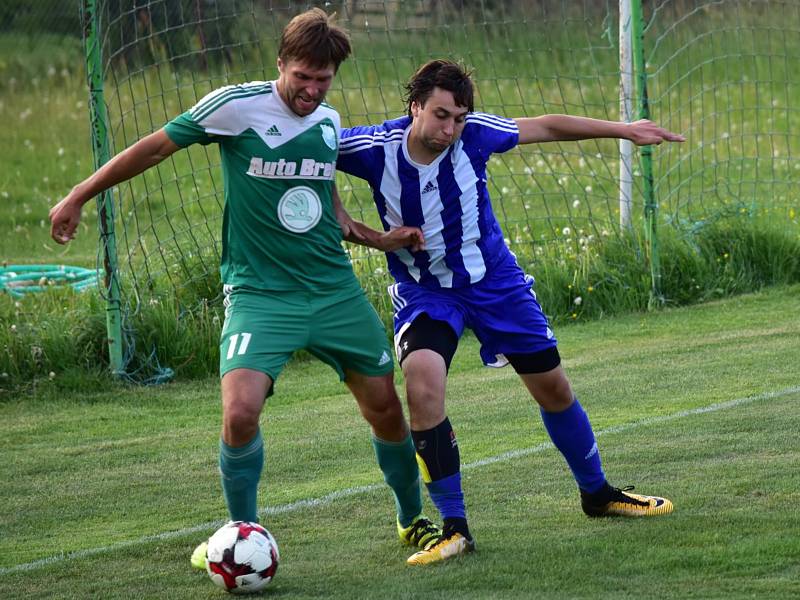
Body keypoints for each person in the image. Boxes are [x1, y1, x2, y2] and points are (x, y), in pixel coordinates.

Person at [48, 9, 442, 569]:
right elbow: (155, 148)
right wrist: (79, 195)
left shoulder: (328, 122)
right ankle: (239, 534)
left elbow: (326, 198)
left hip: (333, 290)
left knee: (385, 410)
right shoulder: (236, 106)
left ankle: (411, 519)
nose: (311, 89)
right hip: (259, 294)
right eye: (302, 76)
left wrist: (379, 240)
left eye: (322, 79)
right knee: (240, 413)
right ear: (280, 63)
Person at [335, 59, 686, 566]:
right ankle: (454, 528)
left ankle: (598, 493)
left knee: (555, 389)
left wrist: (626, 131)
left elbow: (545, 126)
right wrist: (361, 230)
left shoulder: (475, 135)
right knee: (422, 384)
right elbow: (308, 149)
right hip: (425, 293)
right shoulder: (373, 148)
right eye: (439, 116)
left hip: (496, 284)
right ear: (415, 107)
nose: (449, 129)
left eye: (458, 117)